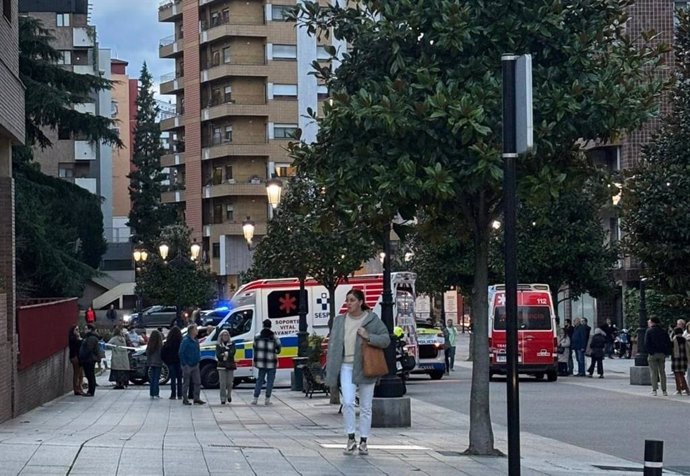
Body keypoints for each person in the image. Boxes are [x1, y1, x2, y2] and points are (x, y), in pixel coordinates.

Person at [325, 289, 390, 456]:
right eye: (347, 300)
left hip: (365, 367)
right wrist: (331, 367)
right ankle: (350, 437)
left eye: (352, 300)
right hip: (346, 366)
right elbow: (333, 345)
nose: (349, 303)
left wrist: (368, 336)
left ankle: (364, 441)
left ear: (361, 302)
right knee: (347, 402)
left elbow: (385, 339)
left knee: (366, 406)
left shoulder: (371, 320)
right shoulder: (339, 321)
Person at [252, 319, 282, 406]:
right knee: (270, 381)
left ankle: (255, 399)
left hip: (261, 362)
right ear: (270, 326)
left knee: (260, 380)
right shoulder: (274, 337)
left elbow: (254, 347)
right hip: (271, 362)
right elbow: (279, 349)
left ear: (263, 325)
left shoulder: (257, 336)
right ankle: (267, 400)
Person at [645, 316, 672, 396]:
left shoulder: (649, 331)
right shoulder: (663, 331)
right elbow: (668, 342)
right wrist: (666, 352)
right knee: (662, 372)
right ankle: (664, 390)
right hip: (662, 354)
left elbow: (646, 343)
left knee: (653, 372)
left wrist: (650, 352)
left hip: (653, 354)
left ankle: (654, 390)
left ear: (652, 322)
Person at [179, 324, 205, 405]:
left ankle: (196, 398)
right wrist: (184, 363)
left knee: (197, 382)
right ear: (192, 331)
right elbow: (181, 352)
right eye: (196, 329)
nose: (197, 331)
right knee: (186, 382)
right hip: (188, 365)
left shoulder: (196, 340)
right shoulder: (186, 340)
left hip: (195, 364)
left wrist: (198, 359)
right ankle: (185, 399)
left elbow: (197, 350)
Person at [78, 324, 101, 396]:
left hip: (89, 359)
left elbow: (88, 349)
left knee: (90, 375)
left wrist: (83, 356)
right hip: (89, 359)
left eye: (86, 328)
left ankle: (91, 391)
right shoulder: (89, 337)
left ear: (90, 329)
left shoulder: (91, 338)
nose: (84, 330)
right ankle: (90, 390)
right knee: (90, 375)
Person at [162, 326, 183, 400]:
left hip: (171, 362)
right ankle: (180, 394)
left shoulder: (168, 343)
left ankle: (173, 394)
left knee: (173, 379)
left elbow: (163, 354)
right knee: (180, 379)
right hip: (179, 362)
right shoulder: (181, 342)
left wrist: (167, 362)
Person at [216, 330, 236, 404]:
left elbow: (232, 353)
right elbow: (218, 355)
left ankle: (229, 395)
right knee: (222, 383)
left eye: (227, 335)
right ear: (221, 336)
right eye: (224, 335)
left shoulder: (232, 344)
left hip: (230, 365)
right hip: (221, 366)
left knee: (230, 383)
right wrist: (227, 353)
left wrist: (224, 354)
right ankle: (223, 398)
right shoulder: (218, 345)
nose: (225, 336)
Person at [671, 327, 690, 395]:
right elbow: (688, 350)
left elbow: (672, 350)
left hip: (676, 359)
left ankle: (679, 389)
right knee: (682, 374)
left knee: (677, 375)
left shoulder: (674, 340)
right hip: (683, 359)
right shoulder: (684, 340)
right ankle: (686, 389)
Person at [146, 329, 164, 399]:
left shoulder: (150, 344)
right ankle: (156, 393)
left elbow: (147, 352)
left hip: (151, 363)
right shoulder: (159, 345)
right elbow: (162, 354)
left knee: (152, 378)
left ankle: (152, 393)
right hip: (158, 362)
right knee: (157, 378)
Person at [68, 325, 84, 395]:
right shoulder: (72, 338)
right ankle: (76, 388)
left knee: (80, 373)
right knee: (77, 373)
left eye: (78, 329)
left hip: (79, 357)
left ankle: (79, 387)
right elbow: (77, 345)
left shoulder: (77, 338)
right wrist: (78, 338)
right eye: (76, 330)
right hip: (75, 357)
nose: (78, 331)